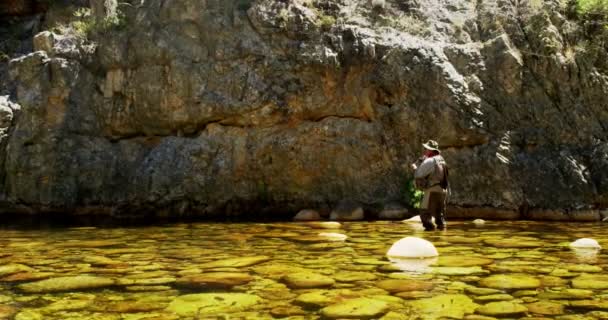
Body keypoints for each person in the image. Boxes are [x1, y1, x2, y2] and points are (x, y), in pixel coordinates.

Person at [410, 140, 449, 231]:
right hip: (443, 191)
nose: (424, 150)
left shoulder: (430, 161)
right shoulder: (442, 160)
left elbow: (418, 175)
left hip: (432, 190)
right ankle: (442, 238)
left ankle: (430, 236)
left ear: (430, 150)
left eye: (426, 149)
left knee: (425, 214)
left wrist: (415, 168)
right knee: (440, 217)